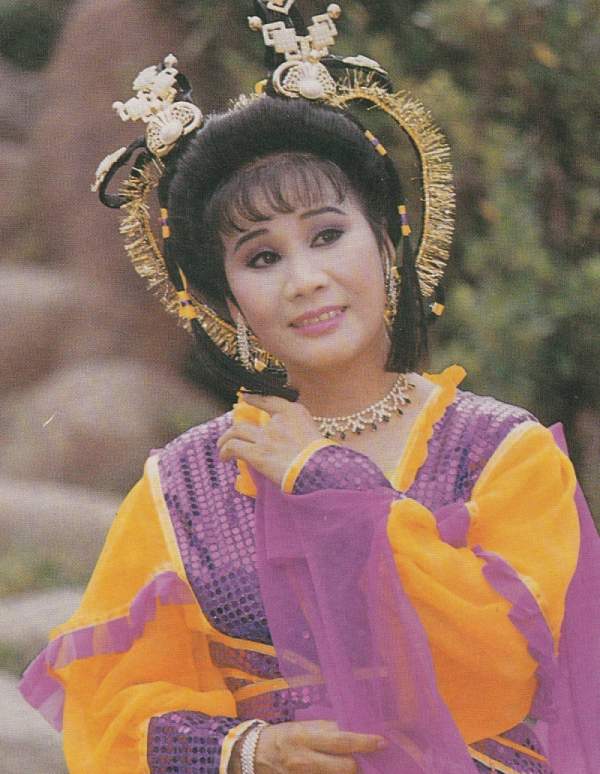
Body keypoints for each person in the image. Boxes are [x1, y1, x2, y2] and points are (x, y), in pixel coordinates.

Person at [19, 2, 600, 773]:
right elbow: (112, 704)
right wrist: (245, 748)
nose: (306, 280)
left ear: (387, 244)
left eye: (327, 235)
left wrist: (326, 480)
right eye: (262, 258)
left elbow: (502, 673)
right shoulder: (184, 486)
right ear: (229, 303)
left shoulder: (504, 455)